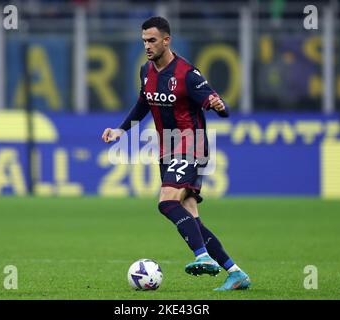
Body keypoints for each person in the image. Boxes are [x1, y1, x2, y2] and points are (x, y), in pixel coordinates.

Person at [101, 16, 250, 291]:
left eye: (152, 40)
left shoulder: (187, 74)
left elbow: (220, 106)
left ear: (167, 40)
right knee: (190, 217)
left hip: (191, 146)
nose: (147, 45)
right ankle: (235, 272)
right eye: (144, 40)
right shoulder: (146, 71)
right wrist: (121, 130)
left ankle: (203, 256)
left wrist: (218, 105)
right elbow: (143, 104)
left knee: (166, 202)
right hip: (167, 149)